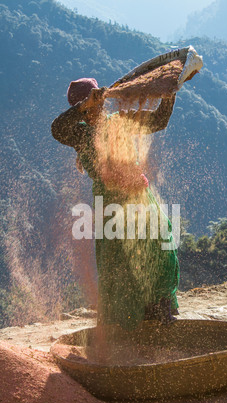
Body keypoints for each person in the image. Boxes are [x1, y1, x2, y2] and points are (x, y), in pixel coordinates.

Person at [51, 78, 180, 330]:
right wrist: (82, 107)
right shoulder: (78, 132)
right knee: (120, 261)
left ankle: (159, 308)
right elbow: (57, 129)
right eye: (91, 101)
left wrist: (169, 93)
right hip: (110, 202)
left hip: (139, 195)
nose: (98, 106)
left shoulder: (120, 121)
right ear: (82, 104)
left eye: (99, 99)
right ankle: (127, 323)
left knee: (159, 245)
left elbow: (159, 121)